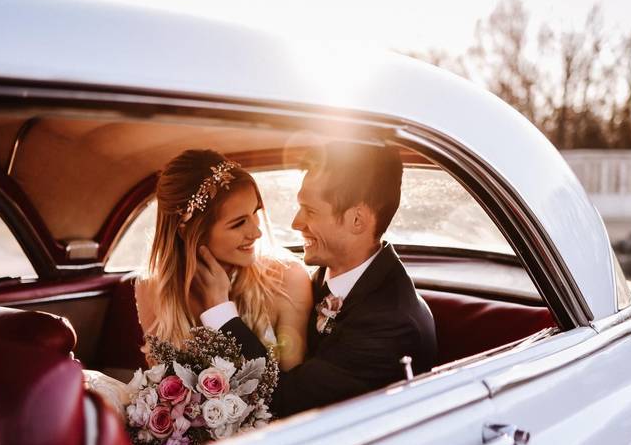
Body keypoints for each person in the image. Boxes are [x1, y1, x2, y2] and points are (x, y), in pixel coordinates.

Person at [195, 141, 437, 418]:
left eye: (310, 211)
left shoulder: (391, 323)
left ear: (357, 220)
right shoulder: (320, 280)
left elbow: (287, 402)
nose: (296, 223)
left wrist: (219, 309)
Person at [134, 149, 312, 371]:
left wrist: (219, 305)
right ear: (190, 232)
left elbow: (291, 393)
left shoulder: (287, 278)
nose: (256, 232)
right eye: (238, 223)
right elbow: (162, 385)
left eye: (255, 212)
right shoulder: (152, 288)